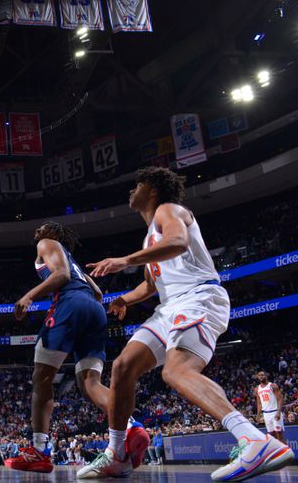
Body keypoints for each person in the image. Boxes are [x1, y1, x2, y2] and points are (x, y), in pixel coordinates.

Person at [79, 167, 294, 480]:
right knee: (123, 367)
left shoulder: (169, 211)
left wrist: (125, 260)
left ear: (151, 188)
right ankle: (118, 453)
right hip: (170, 306)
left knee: (176, 371)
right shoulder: (150, 235)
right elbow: (152, 285)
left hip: (198, 296)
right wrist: (126, 299)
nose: (131, 191)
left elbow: (178, 242)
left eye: (136, 184)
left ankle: (255, 440)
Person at [6, 222, 148, 473]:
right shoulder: (77, 265)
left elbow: (61, 275)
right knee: (89, 383)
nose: (38, 231)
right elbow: (97, 293)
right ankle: (130, 426)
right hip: (94, 311)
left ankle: (39, 451)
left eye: (44, 227)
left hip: (70, 304)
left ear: (54, 234)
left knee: (42, 378)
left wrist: (30, 295)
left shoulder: (47, 244)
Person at [255, 371, 284, 442]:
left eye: (262, 375)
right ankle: (277, 452)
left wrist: (278, 412)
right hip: (266, 414)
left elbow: (280, 399)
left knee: (279, 435)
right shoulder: (257, 389)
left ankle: (286, 452)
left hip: (275, 412)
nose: (261, 376)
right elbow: (259, 403)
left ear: (266, 376)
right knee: (272, 435)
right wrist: (258, 414)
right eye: (259, 375)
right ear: (257, 377)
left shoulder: (272, 386)